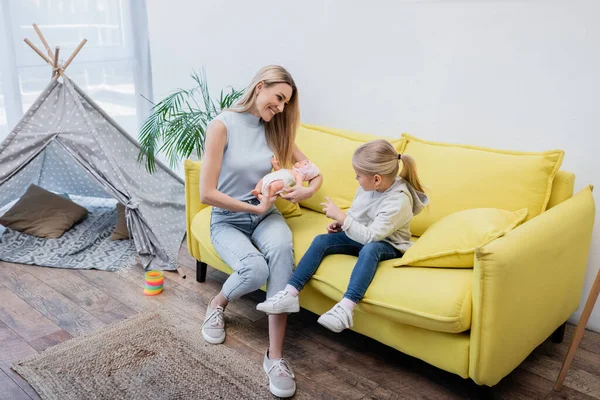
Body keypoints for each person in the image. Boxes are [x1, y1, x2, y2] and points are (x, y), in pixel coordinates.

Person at [199, 65, 322, 398]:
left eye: (285, 104)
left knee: (282, 253)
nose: (281, 109)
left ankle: (275, 357)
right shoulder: (222, 125)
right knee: (255, 269)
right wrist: (252, 207)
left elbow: (313, 173)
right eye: (278, 98)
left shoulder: (275, 128)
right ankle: (218, 304)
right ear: (259, 87)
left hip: (266, 217)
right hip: (228, 219)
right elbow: (206, 193)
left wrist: (305, 191)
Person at [257, 139, 428, 334]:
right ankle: (290, 293)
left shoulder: (398, 200)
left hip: (388, 244)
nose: (356, 179)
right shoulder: (369, 187)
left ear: (377, 179)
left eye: (358, 176)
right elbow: (357, 215)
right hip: (362, 234)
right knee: (322, 241)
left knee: (371, 249)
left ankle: (346, 308)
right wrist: (341, 224)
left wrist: (342, 217)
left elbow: (372, 236)